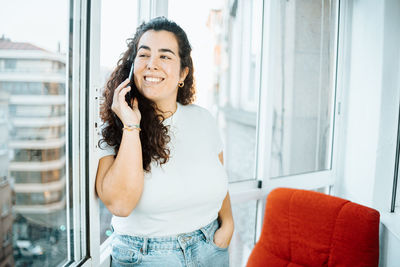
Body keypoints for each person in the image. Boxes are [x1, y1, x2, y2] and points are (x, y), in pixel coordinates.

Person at [96, 17, 234, 267]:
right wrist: (131, 125)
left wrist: (228, 224)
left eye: (165, 56)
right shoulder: (113, 129)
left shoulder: (203, 119)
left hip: (211, 247)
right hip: (147, 257)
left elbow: (219, 180)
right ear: (132, 65)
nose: (152, 65)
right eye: (144, 54)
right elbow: (120, 204)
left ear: (183, 73)